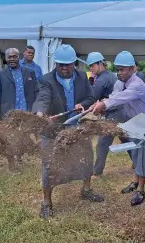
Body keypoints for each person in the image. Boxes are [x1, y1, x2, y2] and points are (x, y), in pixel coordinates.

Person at [33, 44, 103, 219]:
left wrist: (83, 105)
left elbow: (91, 97)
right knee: (49, 164)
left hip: (76, 126)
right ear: (56, 64)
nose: (64, 68)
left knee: (87, 156)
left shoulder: (82, 77)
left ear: (74, 64)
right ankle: (47, 202)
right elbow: (43, 98)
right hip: (53, 128)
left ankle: (86, 189)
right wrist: (40, 114)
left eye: (68, 64)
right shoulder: (46, 80)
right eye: (60, 64)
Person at [93, 51, 145, 206]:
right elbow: (114, 97)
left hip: (144, 124)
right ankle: (135, 181)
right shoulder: (119, 82)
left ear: (132, 69)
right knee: (136, 154)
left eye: (123, 69)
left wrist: (104, 104)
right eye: (118, 69)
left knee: (142, 156)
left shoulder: (137, 85)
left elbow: (121, 97)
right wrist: (103, 104)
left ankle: (140, 191)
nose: (119, 72)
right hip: (132, 123)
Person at [85, 52, 117, 178]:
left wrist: (85, 106)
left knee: (102, 143)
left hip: (113, 114)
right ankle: (137, 163)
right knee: (126, 138)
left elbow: (93, 97)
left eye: (92, 66)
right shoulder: (111, 76)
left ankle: (97, 172)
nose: (91, 69)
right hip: (119, 111)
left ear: (100, 64)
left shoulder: (102, 79)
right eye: (89, 67)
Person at [0, 48, 39, 121]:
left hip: (27, 112)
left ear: (19, 57)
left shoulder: (30, 72)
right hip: (8, 114)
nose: (12, 59)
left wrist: (37, 109)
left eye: (14, 56)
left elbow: (36, 91)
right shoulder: (0, 74)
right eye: (9, 57)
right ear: (6, 58)